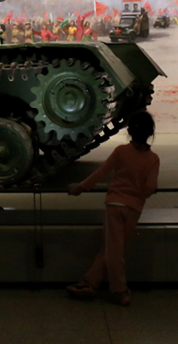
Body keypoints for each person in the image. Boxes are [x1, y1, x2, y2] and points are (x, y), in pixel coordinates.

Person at [65, 111, 160, 307]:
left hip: (114, 205)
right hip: (134, 209)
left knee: (113, 249)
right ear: (150, 133)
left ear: (130, 131)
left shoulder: (121, 151)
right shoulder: (153, 159)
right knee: (115, 248)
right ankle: (92, 283)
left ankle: (116, 289)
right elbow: (150, 187)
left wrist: (80, 188)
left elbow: (101, 173)